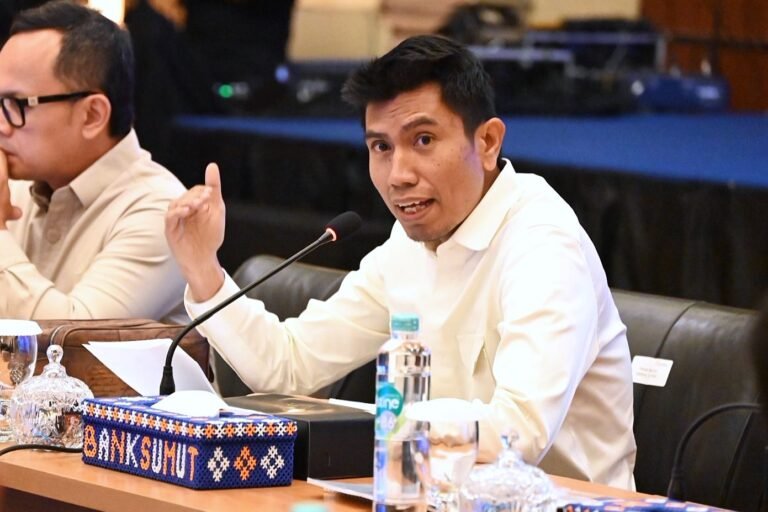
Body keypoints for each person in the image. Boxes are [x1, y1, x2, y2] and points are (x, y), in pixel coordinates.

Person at [166, 35, 636, 488]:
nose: (398, 176)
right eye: (381, 147)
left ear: (488, 142)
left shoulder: (543, 243)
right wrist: (204, 269)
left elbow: (521, 431)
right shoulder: (406, 247)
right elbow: (289, 367)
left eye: (424, 140)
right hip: (433, 495)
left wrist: (386, 425)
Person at [0, 0, 187, 322]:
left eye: (17, 104)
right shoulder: (15, 189)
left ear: (92, 115)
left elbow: (73, 338)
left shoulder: (161, 212)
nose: (2, 125)